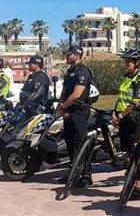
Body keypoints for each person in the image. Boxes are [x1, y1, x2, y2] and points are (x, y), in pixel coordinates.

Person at [111, 47, 140, 201]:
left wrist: (121, 115)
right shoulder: (126, 78)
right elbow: (121, 98)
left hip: (134, 121)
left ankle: (138, 187)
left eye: (129, 62)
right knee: (128, 153)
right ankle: (130, 182)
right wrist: (115, 112)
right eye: (126, 62)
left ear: (137, 64)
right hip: (124, 121)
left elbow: (136, 103)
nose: (126, 64)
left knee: (137, 155)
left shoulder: (139, 80)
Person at [56, 45, 94, 187]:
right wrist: (61, 107)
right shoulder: (70, 71)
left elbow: (77, 94)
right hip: (67, 113)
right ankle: (73, 173)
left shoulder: (83, 71)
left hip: (79, 112)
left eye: (69, 54)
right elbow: (65, 91)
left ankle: (85, 176)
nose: (66, 56)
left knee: (81, 143)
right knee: (70, 144)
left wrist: (63, 106)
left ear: (77, 55)